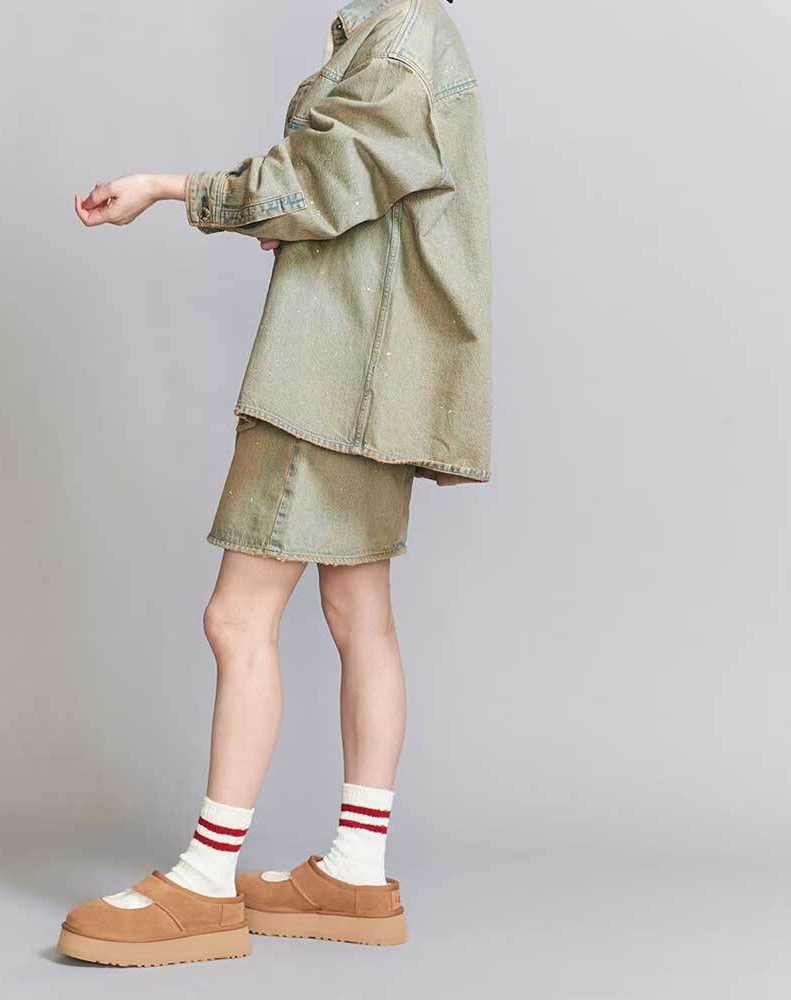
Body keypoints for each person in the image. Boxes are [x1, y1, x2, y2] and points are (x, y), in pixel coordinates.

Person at [58, 0, 490, 967]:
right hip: (374, 373)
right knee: (359, 615)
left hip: (330, 374)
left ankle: (205, 883)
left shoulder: (402, 36)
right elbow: (351, 191)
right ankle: (356, 871)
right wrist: (292, 218)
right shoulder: (400, 32)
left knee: (237, 618)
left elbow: (318, 182)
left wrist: (166, 187)